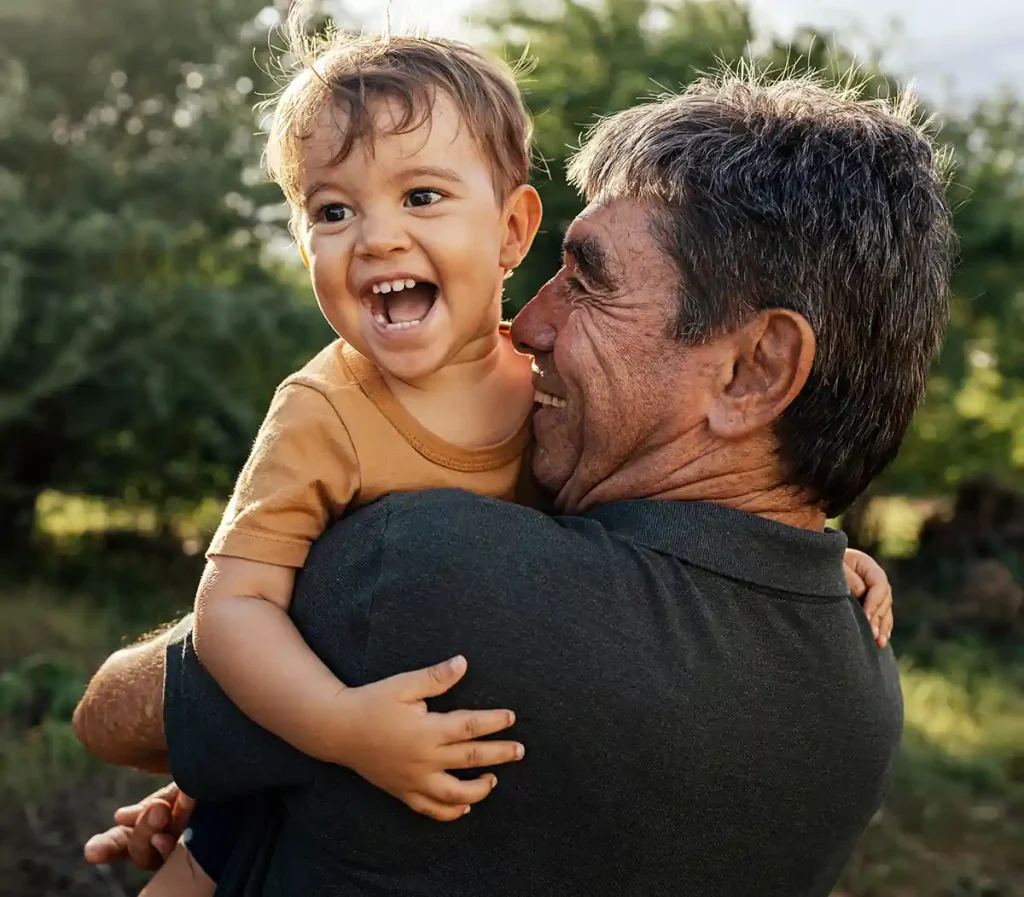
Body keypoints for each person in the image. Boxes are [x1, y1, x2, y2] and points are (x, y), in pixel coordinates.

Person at [73, 66, 952, 897]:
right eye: (333, 210)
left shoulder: (423, 568)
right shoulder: (862, 688)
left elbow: (109, 716)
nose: (526, 325)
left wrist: (260, 743)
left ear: (754, 370)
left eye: (587, 283)